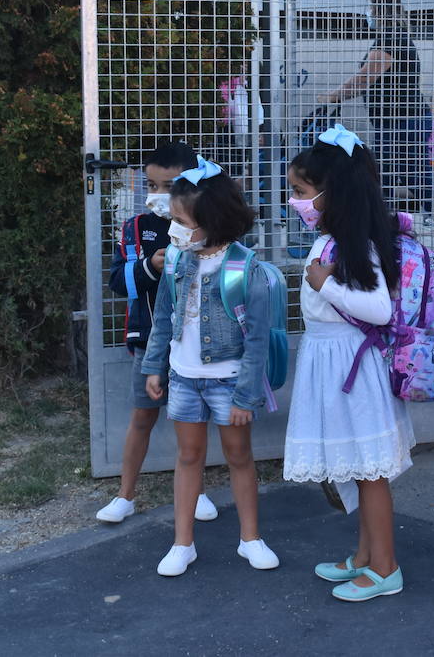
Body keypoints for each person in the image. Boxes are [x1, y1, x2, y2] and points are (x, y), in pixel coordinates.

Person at [284, 130, 415, 602]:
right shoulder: (333, 238)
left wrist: (326, 285)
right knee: (358, 470)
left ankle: (385, 567)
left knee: (369, 472)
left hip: (351, 370)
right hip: (333, 365)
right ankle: (364, 556)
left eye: (300, 192)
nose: (294, 201)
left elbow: (379, 308)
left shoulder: (356, 243)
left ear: (331, 192)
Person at [141, 156, 277, 575]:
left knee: (239, 457)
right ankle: (183, 544)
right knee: (187, 457)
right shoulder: (178, 261)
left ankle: (250, 538)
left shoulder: (244, 267)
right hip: (183, 379)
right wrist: (154, 367)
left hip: (229, 383)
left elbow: (256, 339)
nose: (174, 229)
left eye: (183, 221)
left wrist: (246, 395)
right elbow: (163, 317)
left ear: (213, 220)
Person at [97, 141, 221, 526]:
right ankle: (125, 495)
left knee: (192, 424)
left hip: (194, 345)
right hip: (148, 341)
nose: (157, 195)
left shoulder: (206, 227)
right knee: (142, 417)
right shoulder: (135, 228)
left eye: (168, 186)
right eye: (151, 185)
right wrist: (151, 265)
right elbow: (118, 281)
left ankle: (196, 491)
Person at [321, 0, 434, 244]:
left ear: (380, 12)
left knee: (384, 176)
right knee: (411, 176)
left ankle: (379, 232)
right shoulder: (393, 38)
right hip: (399, 122)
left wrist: (333, 97)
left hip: (401, 123)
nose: (368, 14)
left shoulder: (391, 40)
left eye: (371, 9)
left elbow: (365, 77)